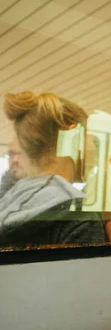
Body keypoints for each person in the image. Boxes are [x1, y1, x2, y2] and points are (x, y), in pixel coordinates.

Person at [0, 91, 105, 248]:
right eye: (90, 139)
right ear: (72, 137)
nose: (94, 153)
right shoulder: (77, 214)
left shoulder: (7, 203)